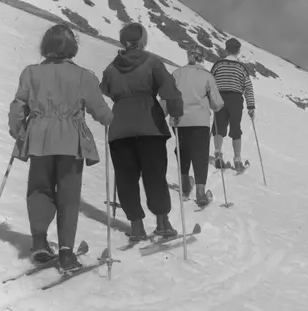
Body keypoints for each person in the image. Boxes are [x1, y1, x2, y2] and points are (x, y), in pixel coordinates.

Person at [7, 23, 114, 270]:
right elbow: (100, 110)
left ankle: (40, 242)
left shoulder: (31, 72)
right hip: (70, 140)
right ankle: (66, 253)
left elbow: (18, 105)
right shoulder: (83, 76)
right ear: (72, 47)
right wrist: (109, 119)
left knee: (39, 188)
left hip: (39, 138)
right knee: (68, 194)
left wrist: (18, 131)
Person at [101, 22, 184, 242]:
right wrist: (175, 112)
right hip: (150, 126)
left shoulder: (111, 67)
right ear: (143, 40)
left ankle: (136, 226)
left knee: (126, 176)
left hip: (119, 128)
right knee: (154, 175)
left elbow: (106, 88)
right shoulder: (153, 63)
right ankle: (162, 222)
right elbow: (170, 90)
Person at [170, 45, 224, 207]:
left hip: (179, 120)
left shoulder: (176, 74)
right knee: (200, 154)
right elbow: (217, 103)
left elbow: (168, 94)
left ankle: (186, 185)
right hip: (200, 122)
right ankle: (201, 194)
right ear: (203, 58)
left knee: (182, 150)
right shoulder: (207, 76)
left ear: (189, 56)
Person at [211, 37, 255, 172]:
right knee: (235, 128)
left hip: (220, 97)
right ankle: (237, 160)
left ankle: (218, 154)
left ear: (226, 49)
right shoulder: (242, 67)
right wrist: (251, 107)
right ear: (238, 51)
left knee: (219, 126)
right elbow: (248, 87)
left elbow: (210, 81)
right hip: (235, 99)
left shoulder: (218, 65)